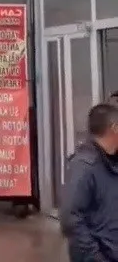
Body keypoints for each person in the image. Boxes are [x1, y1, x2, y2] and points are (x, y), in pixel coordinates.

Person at [60, 102, 118, 262]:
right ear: (115, 128)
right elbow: (70, 218)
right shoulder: (84, 166)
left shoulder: (111, 162)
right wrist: (94, 257)